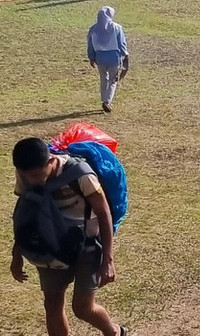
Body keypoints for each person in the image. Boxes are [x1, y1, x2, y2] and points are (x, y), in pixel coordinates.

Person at [11, 137, 126, 336]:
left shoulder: (80, 174)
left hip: (87, 248)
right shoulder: (26, 174)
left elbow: (103, 212)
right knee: (52, 302)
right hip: (50, 246)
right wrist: (17, 253)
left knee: (83, 308)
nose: (33, 181)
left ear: (50, 161)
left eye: (38, 175)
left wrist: (108, 259)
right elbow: (25, 213)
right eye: (27, 176)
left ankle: (114, 332)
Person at [86, 5, 129, 112]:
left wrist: (91, 57)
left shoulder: (93, 29)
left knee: (103, 78)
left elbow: (90, 45)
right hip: (114, 57)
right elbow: (121, 43)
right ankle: (107, 101)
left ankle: (104, 98)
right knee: (113, 80)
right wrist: (125, 54)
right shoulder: (116, 28)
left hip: (100, 58)